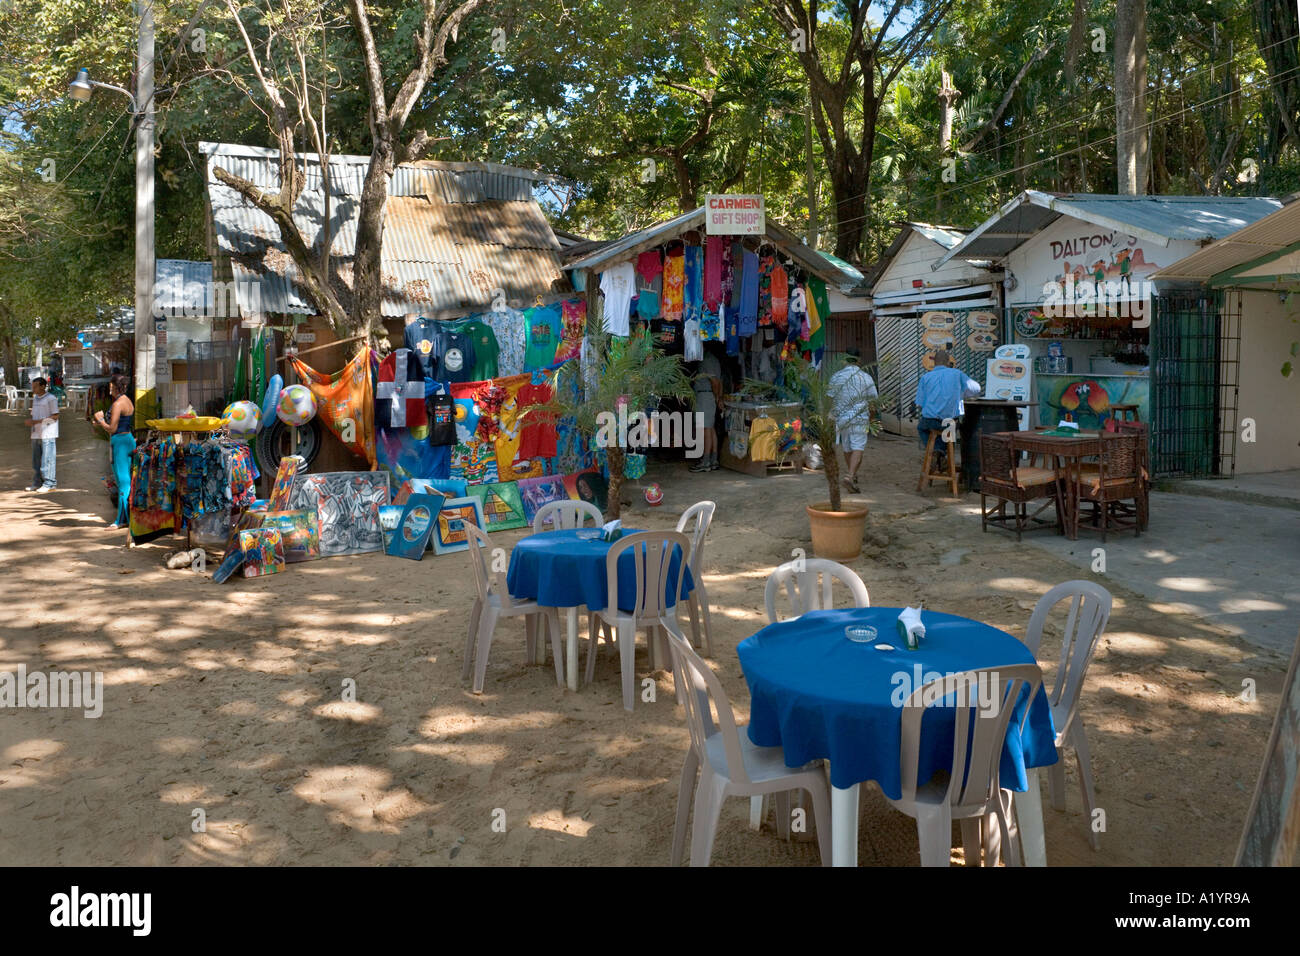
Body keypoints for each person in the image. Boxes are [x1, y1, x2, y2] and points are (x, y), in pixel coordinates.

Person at [914, 349, 981, 470]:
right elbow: (976, 389)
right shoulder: (957, 374)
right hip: (950, 422)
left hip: (930, 421)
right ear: (948, 362)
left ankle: (936, 452)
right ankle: (941, 454)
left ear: (934, 362)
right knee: (948, 431)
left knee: (922, 428)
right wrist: (961, 393)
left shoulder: (925, 377)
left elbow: (920, 403)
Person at [827, 349, 878, 494]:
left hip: (842, 419)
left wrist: (833, 415)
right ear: (859, 360)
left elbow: (830, 398)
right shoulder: (865, 377)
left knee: (848, 448)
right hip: (860, 418)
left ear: (844, 360)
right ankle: (850, 476)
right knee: (858, 448)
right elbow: (873, 401)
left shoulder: (836, 377)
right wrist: (871, 418)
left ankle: (852, 475)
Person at [93, 374, 135, 527]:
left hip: (120, 442)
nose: (109, 391)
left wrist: (101, 420)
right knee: (125, 480)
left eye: (111, 387)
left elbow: (112, 428)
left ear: (117, 387)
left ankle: (122, 520)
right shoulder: (127, 401)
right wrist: (100, 422)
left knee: (122, 481)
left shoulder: (118, 404)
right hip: (128, 439)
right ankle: (124, 518)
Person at [690, 345, 725, 472]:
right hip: (708, 395)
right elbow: (718, 381)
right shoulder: (712, 359)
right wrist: (718, 398)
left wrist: (717, 397)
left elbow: (715, 382)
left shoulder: (707, 360)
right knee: (710, 428)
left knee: (705, 429)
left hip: (705, 395)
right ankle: (713, 460)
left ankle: (705, 462)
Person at [25, 377, 59, 492]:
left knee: (48, 459)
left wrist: (36, 422)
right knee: (36, 460)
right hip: (36, 433)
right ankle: (37, 482)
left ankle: (50, 483)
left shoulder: (51, 398)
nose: (33, 389)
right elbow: (34, 414)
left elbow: (55, 416)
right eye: (32, 386)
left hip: (48, 433)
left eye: (35, 386)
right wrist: (33, 422)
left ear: (43, 386)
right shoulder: (35, 399)